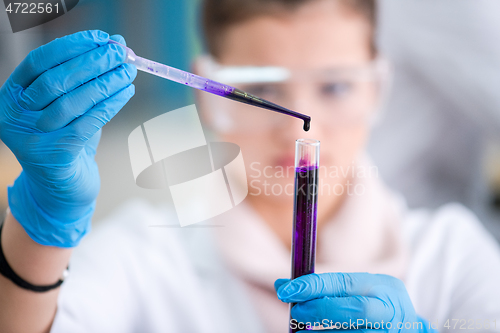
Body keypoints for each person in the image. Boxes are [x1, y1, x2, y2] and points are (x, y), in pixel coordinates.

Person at [0, 0, 499, 332]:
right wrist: (41, 228)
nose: (300, 127)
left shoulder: (453, 255)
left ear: (378, 87)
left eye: (337, 86)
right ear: (207, 90)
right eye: (261, 89)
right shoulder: (145, 258)